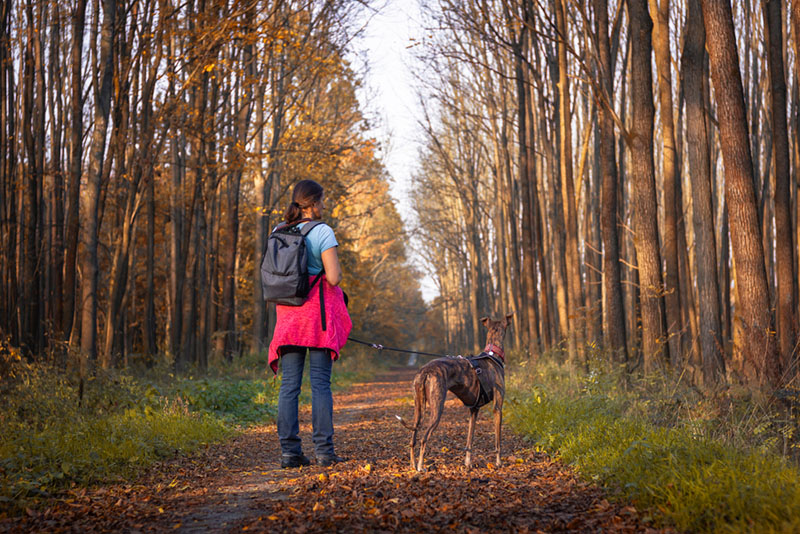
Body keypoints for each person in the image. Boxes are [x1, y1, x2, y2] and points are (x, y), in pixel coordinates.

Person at [268, 179, 352, 468]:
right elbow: (334, 278)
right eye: (322, 200)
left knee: (289, 385)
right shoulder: (322, 231)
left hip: (288, 318)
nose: (324, 205)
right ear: (314, 203)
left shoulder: (278, 231)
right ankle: (324, 452)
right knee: (320, 384)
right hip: (317, 318)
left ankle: (290, 453)